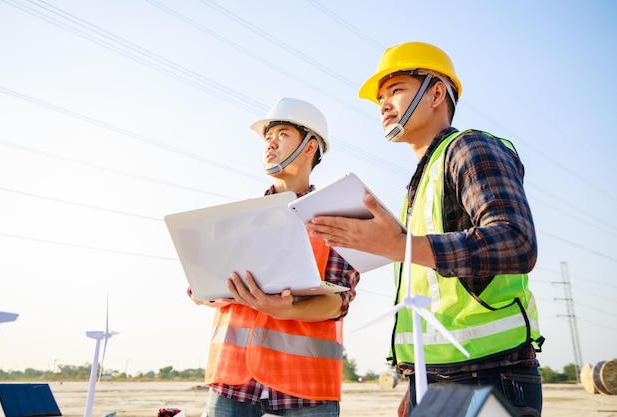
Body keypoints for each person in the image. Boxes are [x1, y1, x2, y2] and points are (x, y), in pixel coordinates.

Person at [306, 42, 544, 417]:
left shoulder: (470, 148)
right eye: (380, 97)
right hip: (436, 378)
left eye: (396, 89)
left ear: (437, 92)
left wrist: (401, 245)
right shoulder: (418, 185)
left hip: (487, 374)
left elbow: (517, 242)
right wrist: (418, 383)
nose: (383, 104)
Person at [188, 97, 360, 417]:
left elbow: (339, 302)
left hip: (304, 385)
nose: (270, 143)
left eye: (282, 134)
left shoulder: (336, 219)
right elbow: (205, 287)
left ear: (310, 147)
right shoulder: (238, 218)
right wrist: (203, 288)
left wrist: (287, 308)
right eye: (268, 137)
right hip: (233, 380)